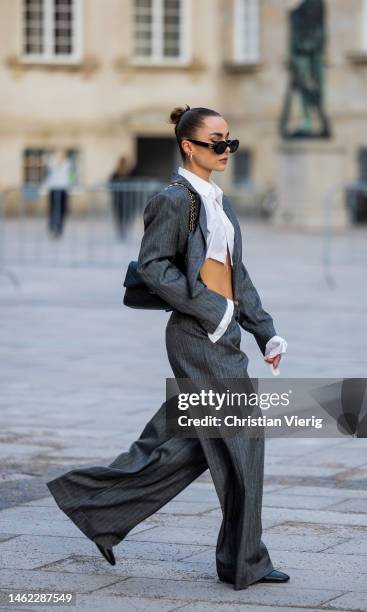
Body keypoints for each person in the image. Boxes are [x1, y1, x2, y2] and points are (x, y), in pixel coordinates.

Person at [46, 105, 289, 591]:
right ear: (189, 146)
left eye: (229, 142)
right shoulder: (175, 200)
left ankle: (95, 509)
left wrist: (265, 331)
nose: (225, 150)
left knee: (190, 443)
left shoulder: (219, 201)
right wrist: (213, 311)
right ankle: (247, 562)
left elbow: (237, 274)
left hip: (223, 333)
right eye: (216, 142)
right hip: (198, 336)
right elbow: (154, 266)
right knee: (243, 442)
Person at [41, 149, 73, 238]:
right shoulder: (51, 163)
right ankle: (52, 227)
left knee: (62, 210)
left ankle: (59, 228)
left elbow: (71, 176)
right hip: (53, 189)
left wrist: (70, 184)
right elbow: (46, 175)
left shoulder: (68, 164)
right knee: (53, 209)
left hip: (63, 189)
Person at [108, 155, 135, 239]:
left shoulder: (130, 173)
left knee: (127, 216)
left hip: (128, 199)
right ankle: (121, 232)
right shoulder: (115, 174)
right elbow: (111, 183)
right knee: (119, 216)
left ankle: (125, 231)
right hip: (119, 199)